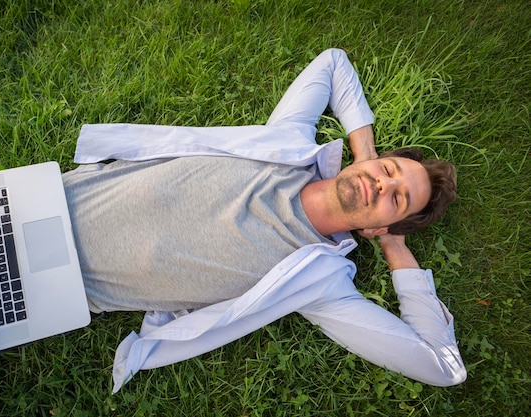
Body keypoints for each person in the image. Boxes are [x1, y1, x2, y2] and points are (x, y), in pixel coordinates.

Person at [62, 49, 467, 391]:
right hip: (56, 197)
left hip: (61, 289)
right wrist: (365, 154)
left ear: (378, 227)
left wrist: (395, 247)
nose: (381, 184)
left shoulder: (320, 283)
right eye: (390, 169)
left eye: (396, 199)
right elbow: (332, 62)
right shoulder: (285, 143)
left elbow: (442, 366)